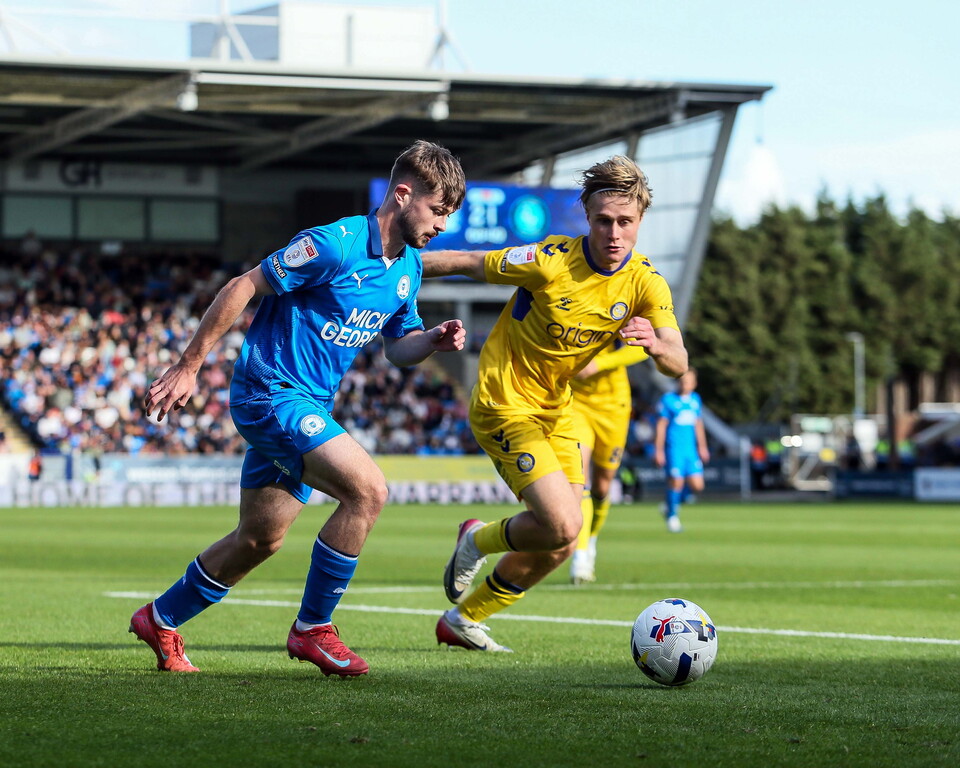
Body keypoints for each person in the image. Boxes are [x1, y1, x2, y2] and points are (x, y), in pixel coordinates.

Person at [130, 140, 467, 676]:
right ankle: (313, 629)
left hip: (309, 405)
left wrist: (430, 340)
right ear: (403, 195)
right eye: (438, 210)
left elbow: (397, 347)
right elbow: (244, 285)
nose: (443, 225)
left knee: (259, 539)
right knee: (368, 491)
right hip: (271, 392)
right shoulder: (333, 245)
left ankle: (160, 618)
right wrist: (189, 365)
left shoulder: (406, 268)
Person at [422, 155, 688, 652]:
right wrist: (387, 268)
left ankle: (463, 619)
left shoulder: (645, 281)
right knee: (563, 522)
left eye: (625, 222)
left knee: (563, 540)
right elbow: (466, 262)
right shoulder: (549, 260)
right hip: (504, 403)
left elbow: (678, 360)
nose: (614, 234)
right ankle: (476, 540)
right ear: (587, 215)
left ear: (640, 221)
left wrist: (656, 344)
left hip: (556, 409)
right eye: (603, 221)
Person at [567, 341, 648, 584]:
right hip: (576, 403)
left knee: (602, 486)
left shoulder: (617, 317)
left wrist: (599, 363)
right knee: (578, 478)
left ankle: (590, 540)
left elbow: (643, 347)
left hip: (614, 408)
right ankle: (580, 556)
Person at [654, 368, 710, 533]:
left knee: (698, 486)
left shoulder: (695, 399)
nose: (685, 384)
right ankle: (672, 517)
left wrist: (702, 447)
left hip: (690, 450)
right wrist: (659, 450)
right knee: (676, 482)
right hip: (674, 450)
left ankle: (669, 504)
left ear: (694, 383)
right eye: (683, 381)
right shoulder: (668, 400)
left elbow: (698, 424)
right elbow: (661, 426)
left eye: (689, 381)